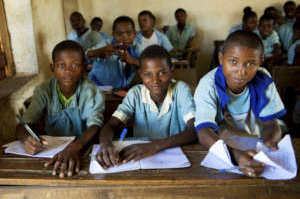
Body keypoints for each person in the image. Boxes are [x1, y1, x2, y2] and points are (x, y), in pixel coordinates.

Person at [194, 31, 286, 178]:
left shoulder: (263, 79)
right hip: (222, 149)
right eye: (233, 61)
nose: (241, 71)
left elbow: (271, 124)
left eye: (250, 64)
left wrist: (268, 145)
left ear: (260, 62)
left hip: (255, 147)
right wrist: (235, 154)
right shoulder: (208, 85)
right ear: (221, 58)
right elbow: (203, 132)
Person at [96, 45, 197, 169]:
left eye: (162, 73)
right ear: (140, 74)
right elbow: (111, 125)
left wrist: (155, 146)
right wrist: (106, 144)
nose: (155, 80)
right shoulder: (135, 93)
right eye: (148, 74)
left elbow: (195, 130)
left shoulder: (181, 89)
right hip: (141, 160)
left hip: (176, 157)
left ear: (171, 71)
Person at [16, 40, 105, 178]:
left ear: (84, 68)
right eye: (61, 65)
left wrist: (76, 146)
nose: (68, 71)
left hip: (84, 149)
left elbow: (95, 125)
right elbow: (23, 125)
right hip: (52, 151)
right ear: (52, 68)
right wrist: (26, 139)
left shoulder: (90, 91)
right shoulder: (44, 91)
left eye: (75, 65)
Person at [87, 16, 139, 88]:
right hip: (98, 87)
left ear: (134, 34)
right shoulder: (106, 45)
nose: (124, 37)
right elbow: (85, 55)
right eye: (119, 34)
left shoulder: (136, 47)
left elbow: (148, 64)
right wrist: (99, 51)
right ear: (113, 35)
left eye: (129, 33)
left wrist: (132, 60)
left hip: (121, 89)